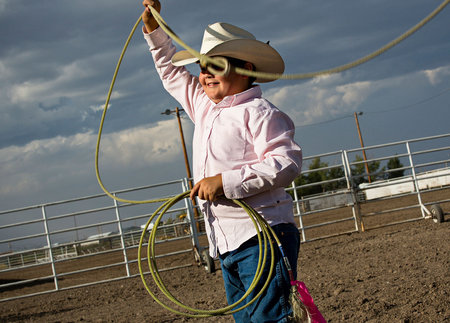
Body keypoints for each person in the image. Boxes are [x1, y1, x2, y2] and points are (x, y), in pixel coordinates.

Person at [141, 1, 303, 322]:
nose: (204, 74)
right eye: (201, 67)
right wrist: (152, 27)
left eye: (214, 64)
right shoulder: (203, 107)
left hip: (263, 237)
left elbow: (285, 163)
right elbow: (170, 71)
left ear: (244, 68)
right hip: (227, 244)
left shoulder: (259, 113)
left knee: (270, 319)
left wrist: (225, 182)